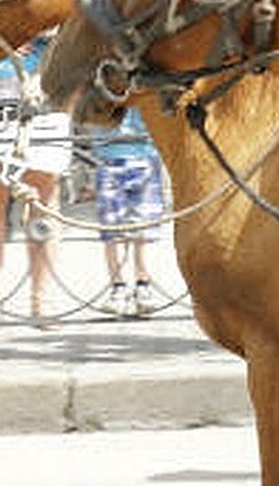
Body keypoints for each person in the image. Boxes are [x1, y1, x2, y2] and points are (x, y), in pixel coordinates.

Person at [0, 32, 72, 324]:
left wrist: (41, 29)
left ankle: (41, 299)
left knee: (43, 201)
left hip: (46, 82)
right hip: (3, 83)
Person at [87, 105, 165, 318]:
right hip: (108, 156)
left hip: (146, 153)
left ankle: (143, 284)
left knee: (144, 227)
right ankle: (117, 286)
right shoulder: (100, 76)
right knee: (111, 229)